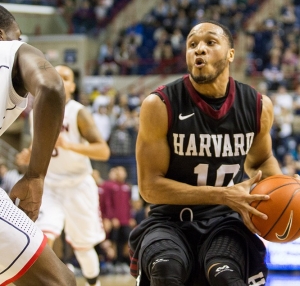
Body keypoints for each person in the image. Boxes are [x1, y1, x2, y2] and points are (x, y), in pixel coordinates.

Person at [128, 20, 286, 286]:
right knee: (166, 273)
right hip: (169, 220)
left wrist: (282, 193)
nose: (198, 49)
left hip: (226, 221)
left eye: (210, 42)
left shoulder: (258, 105)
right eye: (192, 44)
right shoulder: (159, 104)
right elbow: (149, 188)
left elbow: (262, 160)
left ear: (230, 54)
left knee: (225, 276)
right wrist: (223, 194)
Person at [0, 5, 76, 285]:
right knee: (59, 282)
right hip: (60, 185)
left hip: (75, 184)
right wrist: (35, 175)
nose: (20, 40)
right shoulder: (12, 50)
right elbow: (52, 87)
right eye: (17, 35)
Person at [28, 64, 111, 286]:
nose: (60, 80)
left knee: (84, 247)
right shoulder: (36, 111)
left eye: (65, 77)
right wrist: (28, 154)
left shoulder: (78, 112)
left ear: (73, 86)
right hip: (51, 186)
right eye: (56, 76)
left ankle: (94, 283)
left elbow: (103, 151)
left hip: (78, 185)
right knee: (42, 238)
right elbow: (38, 146)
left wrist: (70, 146)